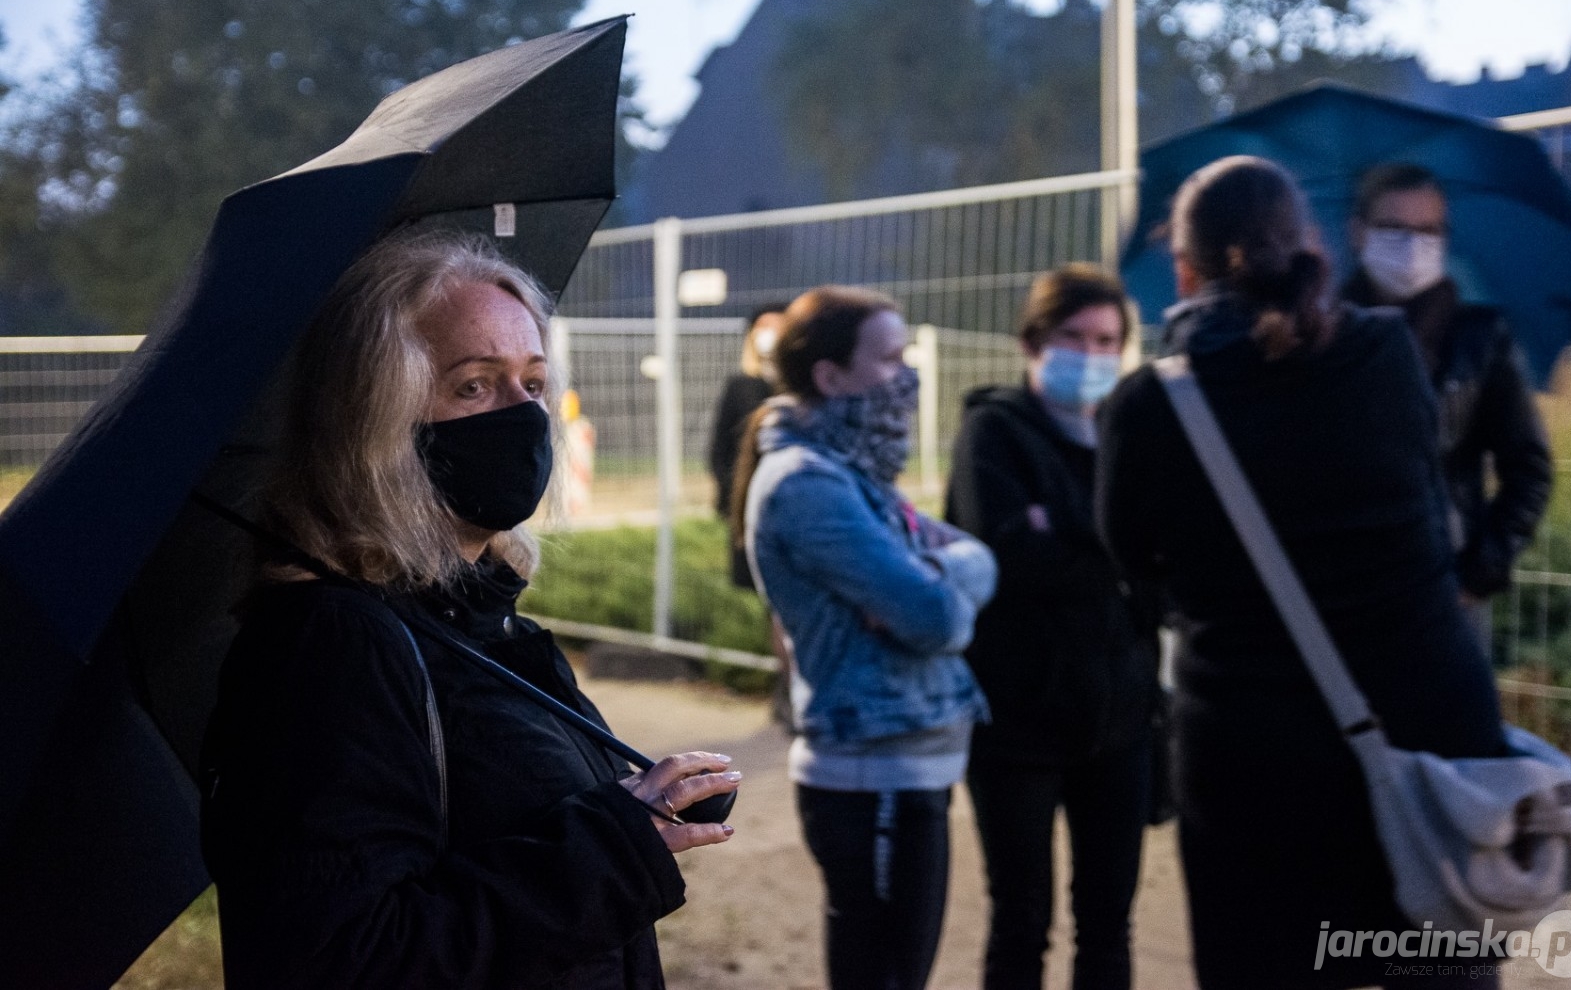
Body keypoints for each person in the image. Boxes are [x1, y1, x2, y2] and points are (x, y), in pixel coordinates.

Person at [199, 232, 740, 990]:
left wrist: (635, 811)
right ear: (376, 421)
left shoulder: (482, 623)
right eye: (473, 386)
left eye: (532, 383)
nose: (522, 417)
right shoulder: (330, 646)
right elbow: (343, 959)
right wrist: (613, 847)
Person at [1097, 156, 1506, 990]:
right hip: (1428, 726)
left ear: (1184, 267)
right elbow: (1430, 499)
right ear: (1312, 244)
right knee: (1438, 962)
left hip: (1253, 758)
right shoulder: (1387, 351)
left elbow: (1133, 562)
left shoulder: (1147, 407)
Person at [731, 285, 996, 990]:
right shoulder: (808, 485)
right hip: (870, 771)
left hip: (909, 764)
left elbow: (978, 564)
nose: (907, 374)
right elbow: (936, 619)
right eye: (891, 357)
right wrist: (938, 591)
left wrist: (938, 576)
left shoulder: (852, 472)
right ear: (830, 376)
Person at [945, 264, 1160, 990]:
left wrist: (1061, 525)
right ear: (1035, 340)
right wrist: (1115, 546)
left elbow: (1163, 564)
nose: (1093, 355)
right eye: (1075, 337)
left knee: (1109, 923)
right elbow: (1008, 559)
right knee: (1021, 921)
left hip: (1122, 723)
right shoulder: (992, 430)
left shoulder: (1132, 435)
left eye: (1108, 340)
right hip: (1016, 724)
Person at [1343, 162, 1552, 652]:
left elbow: (1529, 470)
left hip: (1445, 595)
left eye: (1428, 230)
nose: (1412, 244)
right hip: (1346, 595)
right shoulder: (1327, 335)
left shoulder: (1478, 340)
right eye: (1394, 228)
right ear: (1358, 233)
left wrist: (1476, 578)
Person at [708, 301, 797, 729]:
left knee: (789, 604)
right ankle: (788, 686)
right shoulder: (742, 386)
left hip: (794, 509)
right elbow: (719, 454)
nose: (769, 335)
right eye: (762, 327)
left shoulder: (798, 386)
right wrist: (736, 504)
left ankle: (794, 686)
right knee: (776, 604)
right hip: (754, 514)